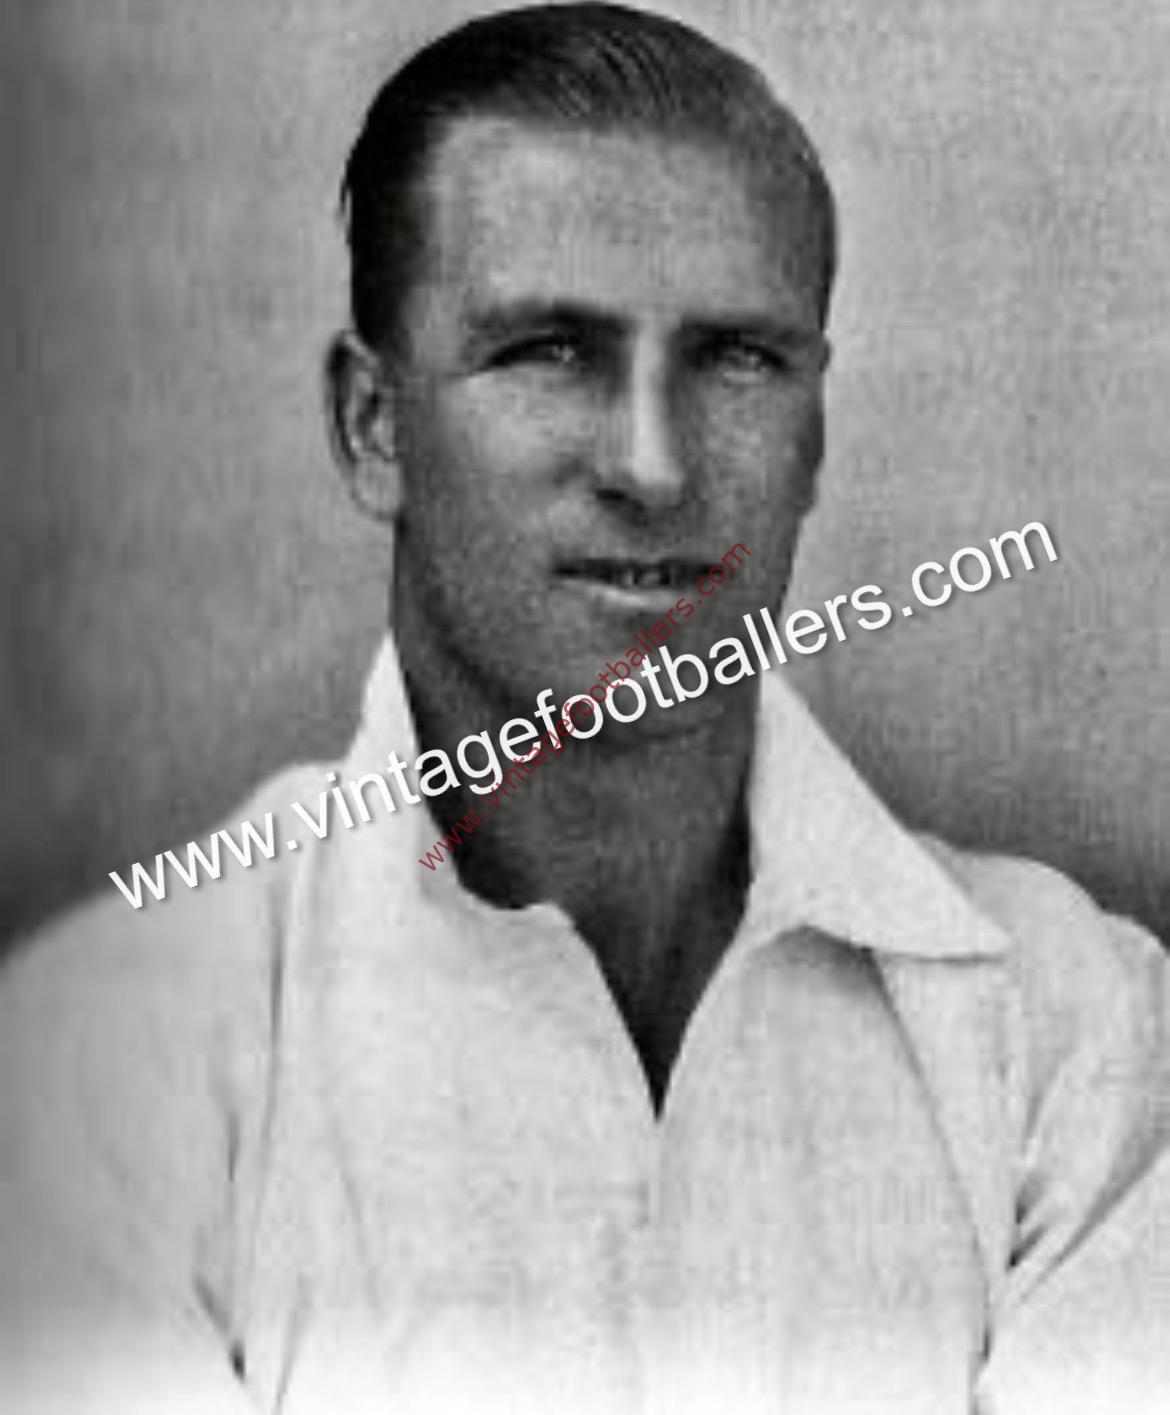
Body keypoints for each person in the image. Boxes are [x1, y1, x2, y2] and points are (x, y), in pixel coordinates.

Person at [2, 5, 1168, 1413]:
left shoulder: (1073, 1032)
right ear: (374, 426)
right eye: (551, 349)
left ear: (814, 434)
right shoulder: (97, 1067)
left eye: (736, 357)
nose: (653, 465)